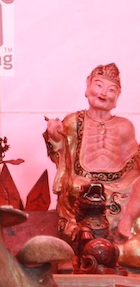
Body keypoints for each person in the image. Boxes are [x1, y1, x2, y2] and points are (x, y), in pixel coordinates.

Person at [43, 62, 140, 267]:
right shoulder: (74, 121)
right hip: (83, 181)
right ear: (88, 87)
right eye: (98, 85)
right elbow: (62, 154)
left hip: (120, 182)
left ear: (117, 97)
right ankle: (92, 244)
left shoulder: (124, 125)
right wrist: (55, 137)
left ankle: (124, 227)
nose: (104, 93)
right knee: (76, 187)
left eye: (111, 90)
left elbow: (134, 159)